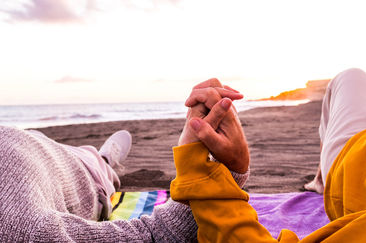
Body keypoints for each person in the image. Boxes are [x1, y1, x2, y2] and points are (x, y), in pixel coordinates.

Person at [170, 68, 366, 242]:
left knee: (351, 76)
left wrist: (198, 169)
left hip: (362, 154)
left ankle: (321, 179)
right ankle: (321, 177)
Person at [0, 81, 247, 242]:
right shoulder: (21, 230)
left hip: (25, 143)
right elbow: (161, 235)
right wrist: (227, 169)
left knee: (35, 137)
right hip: (74, 173)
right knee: (92, 167)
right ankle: (106, 163)